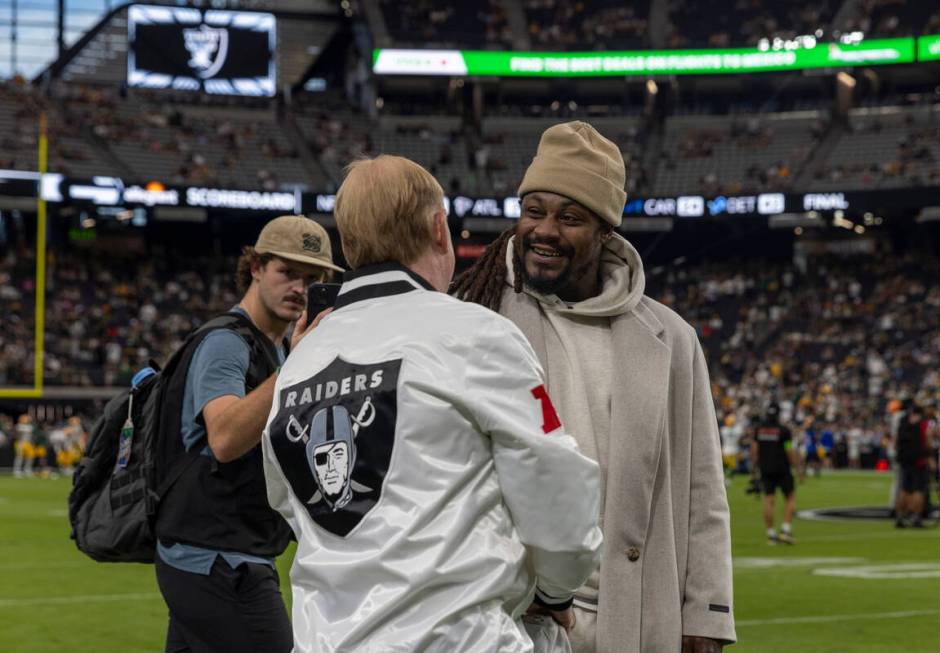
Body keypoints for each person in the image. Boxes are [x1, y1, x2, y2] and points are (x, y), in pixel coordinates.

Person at [262, 155, 602, 653]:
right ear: (439, 230)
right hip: (458, 638)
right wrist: (554, 590)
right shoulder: (473, 333)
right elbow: (554, 479)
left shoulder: (299, 362)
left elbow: (289, 504)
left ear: (349, 246)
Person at [452, 121, 735, 653]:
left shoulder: (671, 338)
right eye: (533, 211)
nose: (545, 231)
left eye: (570, 218)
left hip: (637, 613)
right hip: (509, 613)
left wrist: (708, 614)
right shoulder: (475, 314)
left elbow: (703, 490)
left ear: (606, 230)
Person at [153, 215, 342, 653]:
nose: (300, 287)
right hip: (218, 557)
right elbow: (224, 437)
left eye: (312, 279)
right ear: (255, 268)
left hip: (218, 552)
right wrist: (296, 364)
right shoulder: (227, 342)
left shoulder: (274, 346)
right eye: (287, 272)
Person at [750, 403, 802, 544]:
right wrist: (798, 469)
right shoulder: (784, 431)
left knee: (768, 500)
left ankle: (771, 534)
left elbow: (754, 450)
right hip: (783, 469)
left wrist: (753, 470)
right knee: (790, 497)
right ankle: (785, 530)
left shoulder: (759, 430)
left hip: (765, 468)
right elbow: (789, 450)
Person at [895, 400, 932, 528]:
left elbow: (897, 440)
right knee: (918, 490)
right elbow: (927, 440)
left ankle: (900, 517)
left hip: (904, 459)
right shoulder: (923, 423)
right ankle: (916, 517)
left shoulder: (902, 421)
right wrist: (930, 456)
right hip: (918, 460)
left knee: (904, 489)